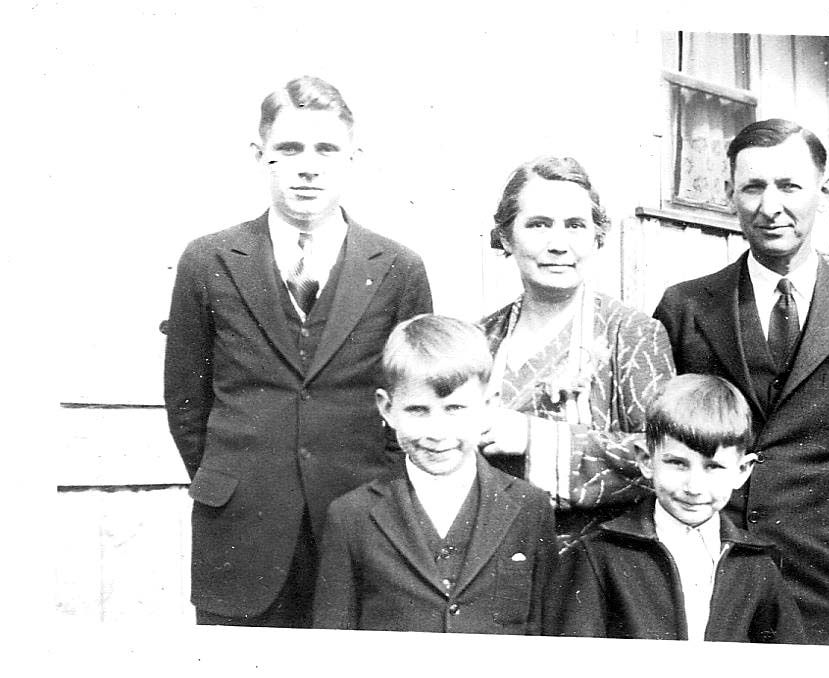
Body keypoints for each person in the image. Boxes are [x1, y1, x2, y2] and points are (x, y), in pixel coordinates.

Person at [163, 75, 433, 627]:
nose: (308, 167)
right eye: (289, 149)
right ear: (259, 155)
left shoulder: (398, 268)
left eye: (326, 149)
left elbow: (413, 398)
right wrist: (232, 480)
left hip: (362, 528)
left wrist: (379, 491)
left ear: (354, 157)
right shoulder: (208, 260)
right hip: (240, 532)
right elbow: (187, 400)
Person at [653, 118, 829, 645]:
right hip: (704, 571)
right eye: (753, 187)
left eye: (790, 186)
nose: (770, 206)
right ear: (729, 193)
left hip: (824, 582)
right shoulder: (685, 307)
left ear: (825, 190)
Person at [313, 315, 558, 633]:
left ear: (488, 403)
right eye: (418, 410)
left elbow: (545, 635)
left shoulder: (530, 508)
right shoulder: (351, 517)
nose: (438, 433)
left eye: (455, 409)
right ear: (386, 408)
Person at [479, 156, 675, 548]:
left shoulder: (632, 335)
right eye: (538, 225)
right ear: (506, 237)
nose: (558, 244)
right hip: (492, 553)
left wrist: (533, 439)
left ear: (597, 237)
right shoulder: (480, 338)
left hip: (598, 560)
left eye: (575, 225)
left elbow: (666, 458)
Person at [546, 374, 805, 642]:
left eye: (713, 467)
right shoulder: (598, 556)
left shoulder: (754, 564)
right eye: (678, 464)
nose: (694, 487)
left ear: (742, 471)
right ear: (646, 460)